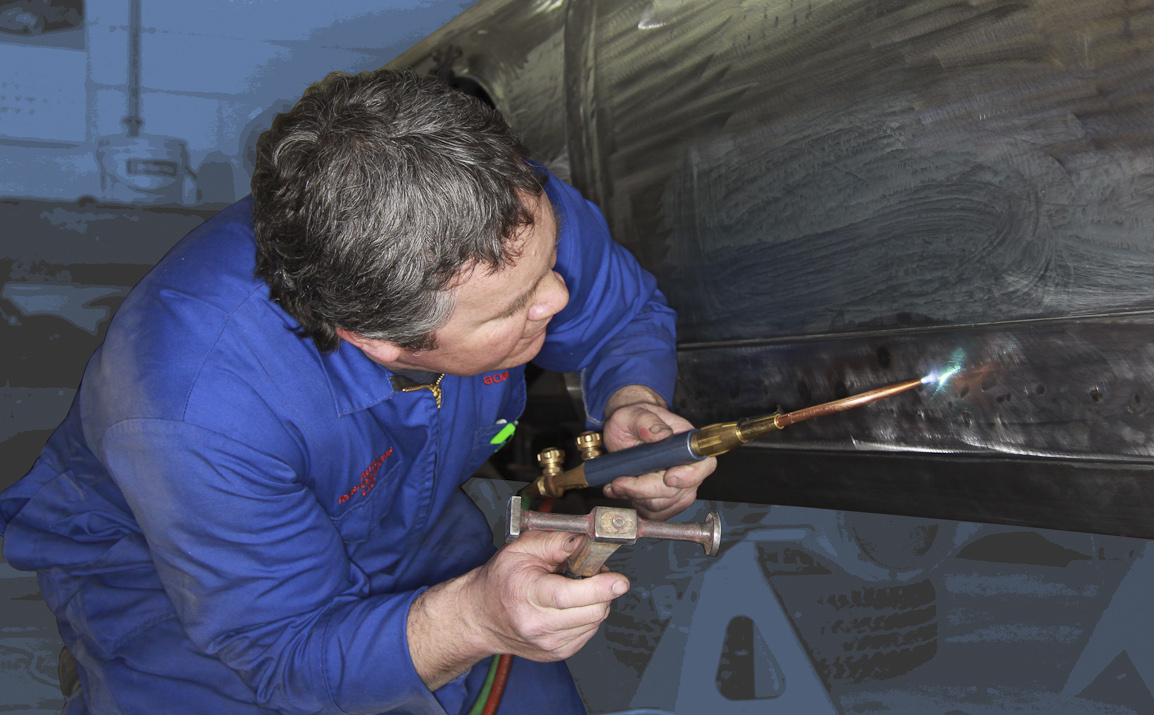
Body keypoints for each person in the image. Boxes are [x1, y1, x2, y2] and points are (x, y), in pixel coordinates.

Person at [0, 70, 715, 715]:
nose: (558, 296)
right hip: (184, 579)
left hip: (412, 528)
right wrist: (475, 618)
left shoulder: (507, 218)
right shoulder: (195, 406)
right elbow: (284, 651)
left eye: (551, 264)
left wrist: (631, 402)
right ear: (381, 341)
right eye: (513, 309)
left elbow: (621, 314)